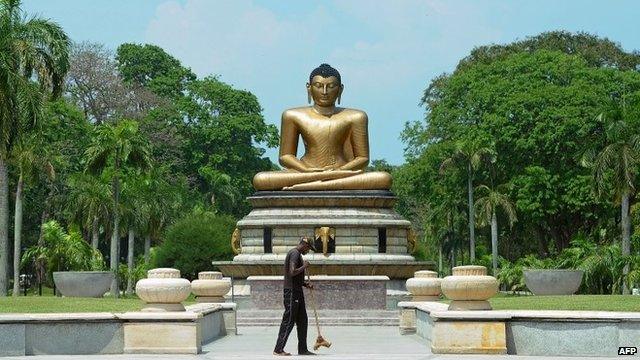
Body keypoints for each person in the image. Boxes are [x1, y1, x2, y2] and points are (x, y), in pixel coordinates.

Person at [252, 63, 392, 191]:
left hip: (342, 173)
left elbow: (362, 158)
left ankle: (306, 186)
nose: (324, 91)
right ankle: (316, 182)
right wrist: (307, 171)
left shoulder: (356, 116)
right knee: (261, 179)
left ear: (340, 89)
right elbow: (285, 156)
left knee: (383, 179)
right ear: (309, 87)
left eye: (331, 86)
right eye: (318, 86)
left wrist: (337, 171)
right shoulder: (292, 115)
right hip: (304, 172)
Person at [273, 237, 317, 356]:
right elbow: (292, 272)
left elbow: (295, 277)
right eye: (308, 248)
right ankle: (278, 349)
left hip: (297, 291)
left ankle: (302, 349)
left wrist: (305, 284)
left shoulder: (298, 255)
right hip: (291, 292)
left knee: (303, 320)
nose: (308, 251)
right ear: (305, 245)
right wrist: (304, 266)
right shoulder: (295, 254)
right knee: (289, 321)